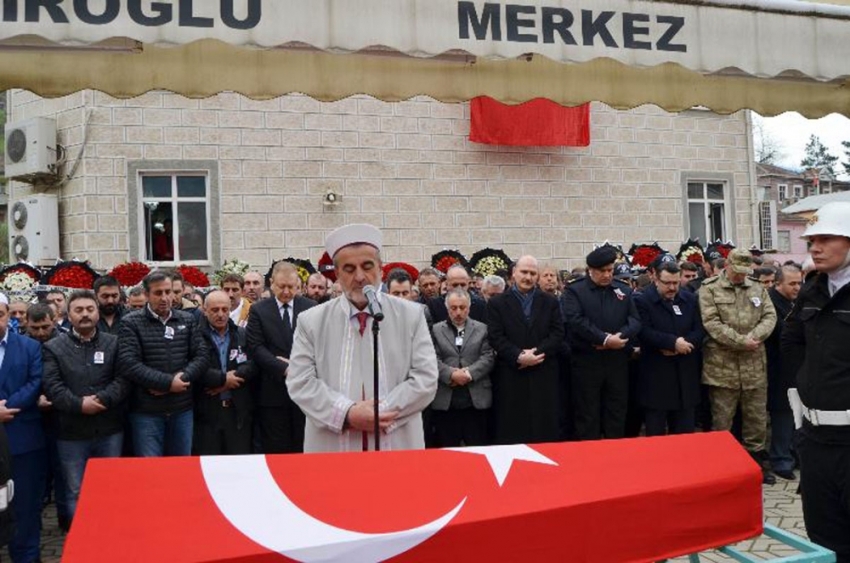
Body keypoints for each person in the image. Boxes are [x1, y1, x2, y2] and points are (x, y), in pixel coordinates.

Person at [288, 224, 437, 452]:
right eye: (349, 269)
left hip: (396, 440)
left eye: (367, 266)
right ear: (337, 274)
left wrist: (380, 412)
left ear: (381, 269)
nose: (359, 277)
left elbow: (425, 379)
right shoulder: (311, 321)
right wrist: (347, 413)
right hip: (333, 445)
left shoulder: (411, 315)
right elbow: (300, 382)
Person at [782, 202, 850, 561]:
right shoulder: (812, 287)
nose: (815, 247)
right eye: (811, 240)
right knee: (823, 539)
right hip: (815, 439)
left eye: (826, 238)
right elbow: (791, 341)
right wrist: (807, 388)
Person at [42, 290, 127, 524]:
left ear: (97, 313)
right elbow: (53, 386)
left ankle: (108, 539)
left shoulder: (114, 343)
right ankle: (80, 544)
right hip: (71, 432)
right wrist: (80, 405)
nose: (85, 315)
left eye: (90, 309)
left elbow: (123, 380)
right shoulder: (53, 347)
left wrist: (101, 400)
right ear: (68, 315)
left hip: (109, 429)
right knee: (75, 490)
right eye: (78, 310)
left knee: (109, 488)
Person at [700, 249, 777, 484]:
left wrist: (755, 336)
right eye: (737, 271)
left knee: (756, 419)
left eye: (745, 272)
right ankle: (720, 468)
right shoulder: (710, 288)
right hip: (723, 368)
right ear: (728, 266)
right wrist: (741, 341)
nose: (740, 276)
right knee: (722, 420)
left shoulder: (756, 288)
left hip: (754, 366)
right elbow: (711, 322)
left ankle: (757, 464)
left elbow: (770, 316)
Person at [118, 271, 209, 457]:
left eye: (168, 292)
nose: (165, 298)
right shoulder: (130, 322)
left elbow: (201, 356)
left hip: (181, 409)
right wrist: (167, 383)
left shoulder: (187, 319)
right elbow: (129, 363)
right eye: (158, 293)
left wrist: (179, 381)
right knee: (151, 472)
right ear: (146, 294)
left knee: (181, 469)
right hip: (147, 412)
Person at [562, 246, 641, 440]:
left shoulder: (622, 289)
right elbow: (575, 320)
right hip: (587, 362)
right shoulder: (575, 291)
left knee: (616, 412)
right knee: (588, 414)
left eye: (610, 270)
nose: (607, 275)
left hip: (616, 362)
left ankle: (615, 457)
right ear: (591, 270)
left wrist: (619, 337)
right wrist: (604, 339)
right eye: (602, 271)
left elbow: (635, 320)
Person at [487, 255, 564, 444]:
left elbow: (557, 334)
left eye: (532, 273)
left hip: (543, 372)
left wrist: (534, 355)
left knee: (544, 428)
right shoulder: (497, 304)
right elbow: (496, 336)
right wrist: (518, 356)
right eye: (524, 272)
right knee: (512, 427)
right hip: (511, 373)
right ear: (514, 273)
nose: (528, 277)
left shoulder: (550, 302)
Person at [246, 262, 317, 454]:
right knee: (276, 448)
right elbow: (256, 347)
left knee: (303, 446)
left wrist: (298, 368)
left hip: (305, 391)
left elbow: (318, 346)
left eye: (291, 287)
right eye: (281, 286)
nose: (286, 292)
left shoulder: (311, 308)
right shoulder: (259, 310)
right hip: (273, 391)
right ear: (271, 284)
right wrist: (284, 368)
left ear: (299, 286)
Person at [0, 293, 47, 563]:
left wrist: (6, 408)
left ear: (9, 315)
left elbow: (35, 382)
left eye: (0, 314)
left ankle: (27, 556)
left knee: (25, 507)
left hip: (23, 440)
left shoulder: (29, 347)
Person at [635, 262, 704, 436]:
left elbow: (699, 329)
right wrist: (672, 343)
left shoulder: (689, 299)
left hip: (685, 375)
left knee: (684, 433)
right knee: (657, 433)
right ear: (656, 279)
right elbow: (643, 330)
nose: (672, 287)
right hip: (657, 376)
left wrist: (684, 344)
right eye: (667, 283)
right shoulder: (642, 300)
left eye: (676, 282)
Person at [430, 289, 495, 447]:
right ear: (447, 309)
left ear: (469, 308)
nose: (458, 312)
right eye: (453, 308)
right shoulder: (436, 330)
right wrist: (451, 374)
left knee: (478, 447)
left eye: (462, 307)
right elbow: (431, 357)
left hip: (475, 400)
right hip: (446, 400)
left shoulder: (482, 329)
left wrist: (468, 373)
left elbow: (488, 356)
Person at [194, 290, 256, 455]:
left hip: (237, 413)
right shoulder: (195, 336)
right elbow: (195, 368)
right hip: (207, 412)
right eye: (215, 310)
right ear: (205, 311)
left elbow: (253, 364)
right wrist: (222, 379)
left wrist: (230, 381)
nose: (220, 314)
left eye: (225, 310)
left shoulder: (242, 334)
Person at [765, 263, 803, 481]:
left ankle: (793, 455)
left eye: (800, 282)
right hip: (777, 366)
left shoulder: (797, 302)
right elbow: (781, 332)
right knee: (782, 414)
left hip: (797, 366)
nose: (797, 288)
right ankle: (780, 458)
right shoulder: (770, 303)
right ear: (778, 283)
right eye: (793, 283)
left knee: (796, 413)